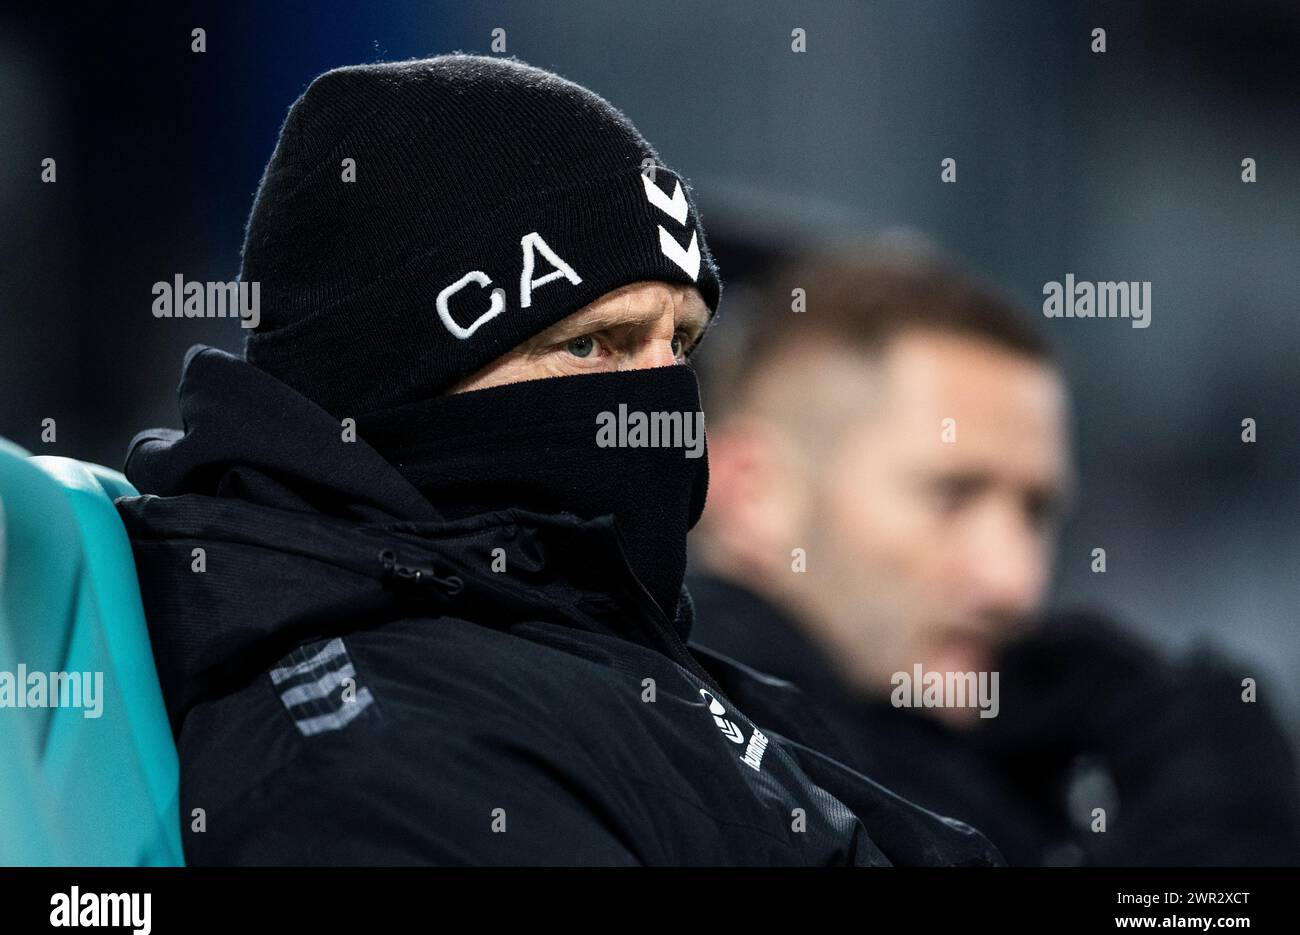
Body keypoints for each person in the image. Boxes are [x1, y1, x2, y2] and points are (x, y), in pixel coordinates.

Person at [116, 56, 1002, 866]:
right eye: (595, 346)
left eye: (681, 347)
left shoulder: (609, 649)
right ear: (396, 385)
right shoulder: (378, 758)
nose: (665, 411)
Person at [691, 237, 1300, 865]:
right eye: (951, 495)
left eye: (1037, 513)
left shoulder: (973, 766)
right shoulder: (701, 771)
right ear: (753, 493)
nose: (1016, 582)